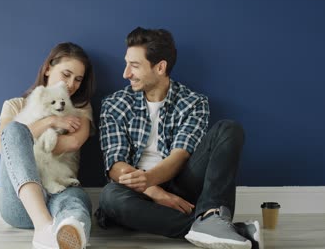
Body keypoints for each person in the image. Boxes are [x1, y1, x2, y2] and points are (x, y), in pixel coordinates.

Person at [96, 27, 262, 249]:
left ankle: (212, 216)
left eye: (134, 66)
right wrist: (154, 191)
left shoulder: (194, 102)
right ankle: (215, 227)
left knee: (229, 129)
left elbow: (180, 156)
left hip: (181, 183)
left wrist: (152, 179)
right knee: (109, 197)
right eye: (127, 63)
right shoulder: (114, 104)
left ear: (160, 67)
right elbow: (116, 164)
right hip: (136, 193)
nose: (126, 74)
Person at [0, 42, 95, 249]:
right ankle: (43, 227)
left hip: (61, 191)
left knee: (76, 205)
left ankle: (71, 234)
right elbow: (3, 145)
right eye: (66, 74)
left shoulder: (79, 108)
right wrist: (50, 122)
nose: (71, 84)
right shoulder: (15, 105)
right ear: (48, 67)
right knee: (13, 131)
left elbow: (73, 141)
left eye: (78, 79)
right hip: (20, 203)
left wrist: (30, 143)